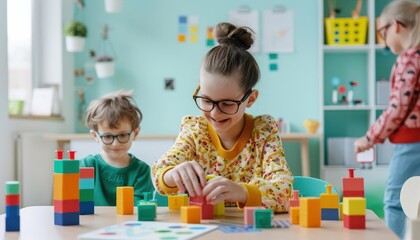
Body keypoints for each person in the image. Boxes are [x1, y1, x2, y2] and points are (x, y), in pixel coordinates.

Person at [152, 22, 294, 213]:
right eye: (207, 100)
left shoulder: (263, 132)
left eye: (227, 104)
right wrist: (171, 175)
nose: (215, 113)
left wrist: (242, 192)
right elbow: (159, 173)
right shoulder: (195, 130)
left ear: (250, 99)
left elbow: (284, 192)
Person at [354, 1, 420, 238]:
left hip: (412, 142)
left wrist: (369, 138)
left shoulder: (409, 59)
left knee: (396, 199)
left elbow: (397, 108)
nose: (384, 40)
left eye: (383, 32)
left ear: (397, 26)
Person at [80, 90, 155, 206]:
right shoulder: (87, 166)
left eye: (123, 135)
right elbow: (78, 203)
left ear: (135, 133)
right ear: (95, 136)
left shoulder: (142, 170)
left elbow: (139, 209)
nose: (115, 144)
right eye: (108, 136)